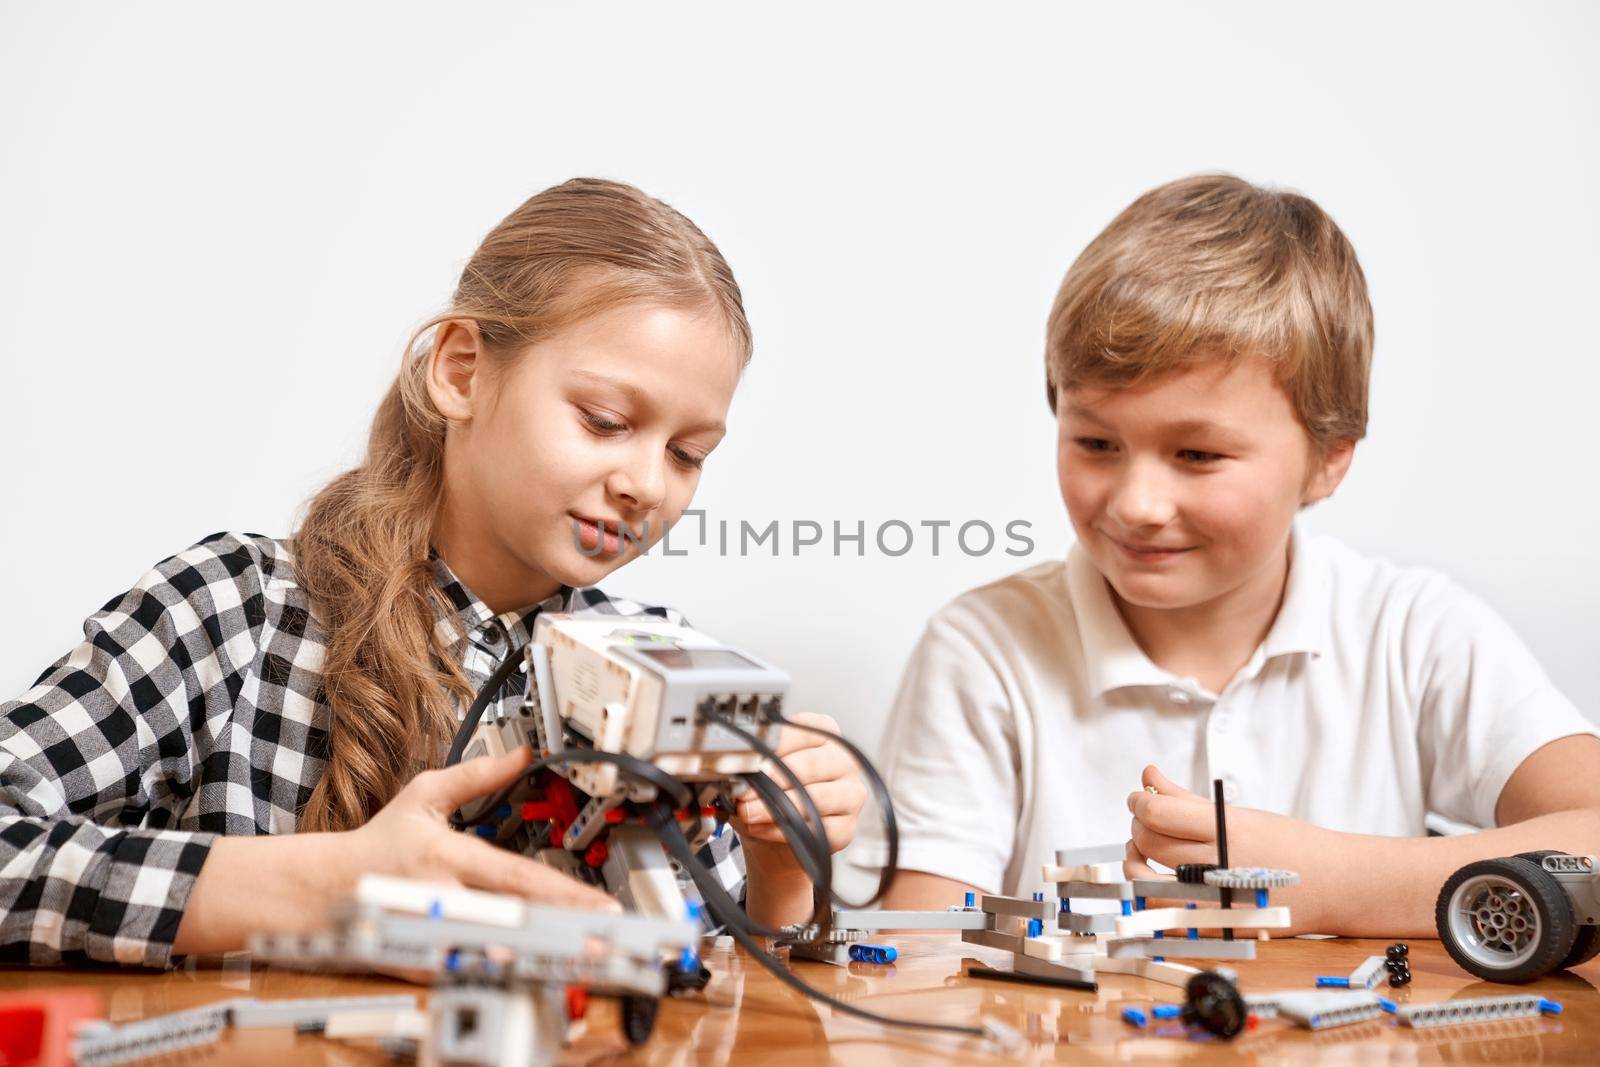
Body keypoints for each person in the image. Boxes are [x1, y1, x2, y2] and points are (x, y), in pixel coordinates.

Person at [0, 177, 865, 966]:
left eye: (687, 452)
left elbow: (722, 1002)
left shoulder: (662, 669)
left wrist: (780, 862)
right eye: (603, 420)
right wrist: (321, 885)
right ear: (463, 370)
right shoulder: (236, 611)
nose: (645, 483)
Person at [870, 173, 1600, 937]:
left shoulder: (1415, 634)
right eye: (1095, 442)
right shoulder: (984, 648)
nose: (1136, 504)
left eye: (1197, 453)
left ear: (1328, 459)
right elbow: (923, 953)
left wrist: (1331, 881)